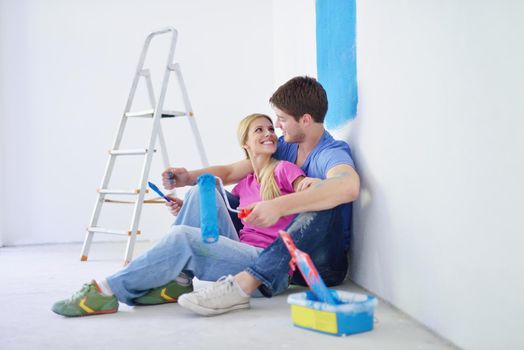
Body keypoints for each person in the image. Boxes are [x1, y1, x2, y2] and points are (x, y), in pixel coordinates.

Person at [52, 113, 306, 317]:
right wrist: (187, 207)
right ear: (246, 144)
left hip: (265, 268)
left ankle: (106, 290)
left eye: (271, 128)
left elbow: (305, 188)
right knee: (200, 192)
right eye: (259, 130)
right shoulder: (247, 183)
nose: (269, 133)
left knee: (182, 236)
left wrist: (309, 185)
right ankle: (180, 280)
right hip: (240, 253)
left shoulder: (283, 169)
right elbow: (231, 205)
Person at [172, 76, 360, 316]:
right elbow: (231, 172)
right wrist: (187, 177)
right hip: (281, 253)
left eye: (281, 119)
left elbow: (348, 186)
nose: (278, 127)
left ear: (305, 120)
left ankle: (244, 283)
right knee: (207, 191)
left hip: (320, 262)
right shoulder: (287, 145)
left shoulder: (330, 153)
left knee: (323, 197)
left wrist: (279, 205)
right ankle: (178, 276)